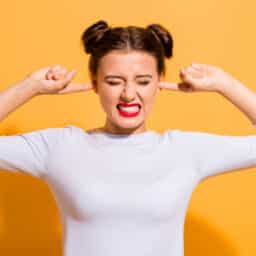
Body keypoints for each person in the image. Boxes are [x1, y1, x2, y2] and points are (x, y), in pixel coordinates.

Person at [0, 20, 256, 256]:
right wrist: (30, 86)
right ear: (95, 83)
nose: (128, 94)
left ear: (159, 82)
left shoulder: (185, 150)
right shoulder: (59, 147)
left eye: (143, 81)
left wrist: (224, 84)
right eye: (113, 81)